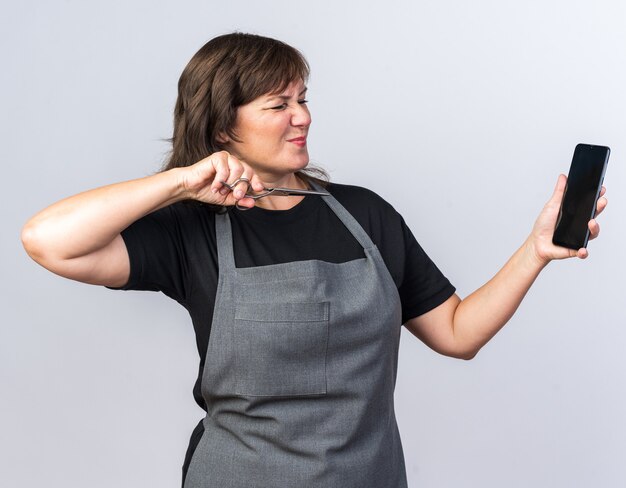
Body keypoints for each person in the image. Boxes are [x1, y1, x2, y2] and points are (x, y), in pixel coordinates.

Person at [21, 33, 607, 488]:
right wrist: (180, 182)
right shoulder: (192, 232)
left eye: (303, 99)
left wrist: (536, 252)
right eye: (278, 104)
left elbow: (457, 333)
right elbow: (49, 239)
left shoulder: (365, 215)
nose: (302, 116)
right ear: (224, 125)